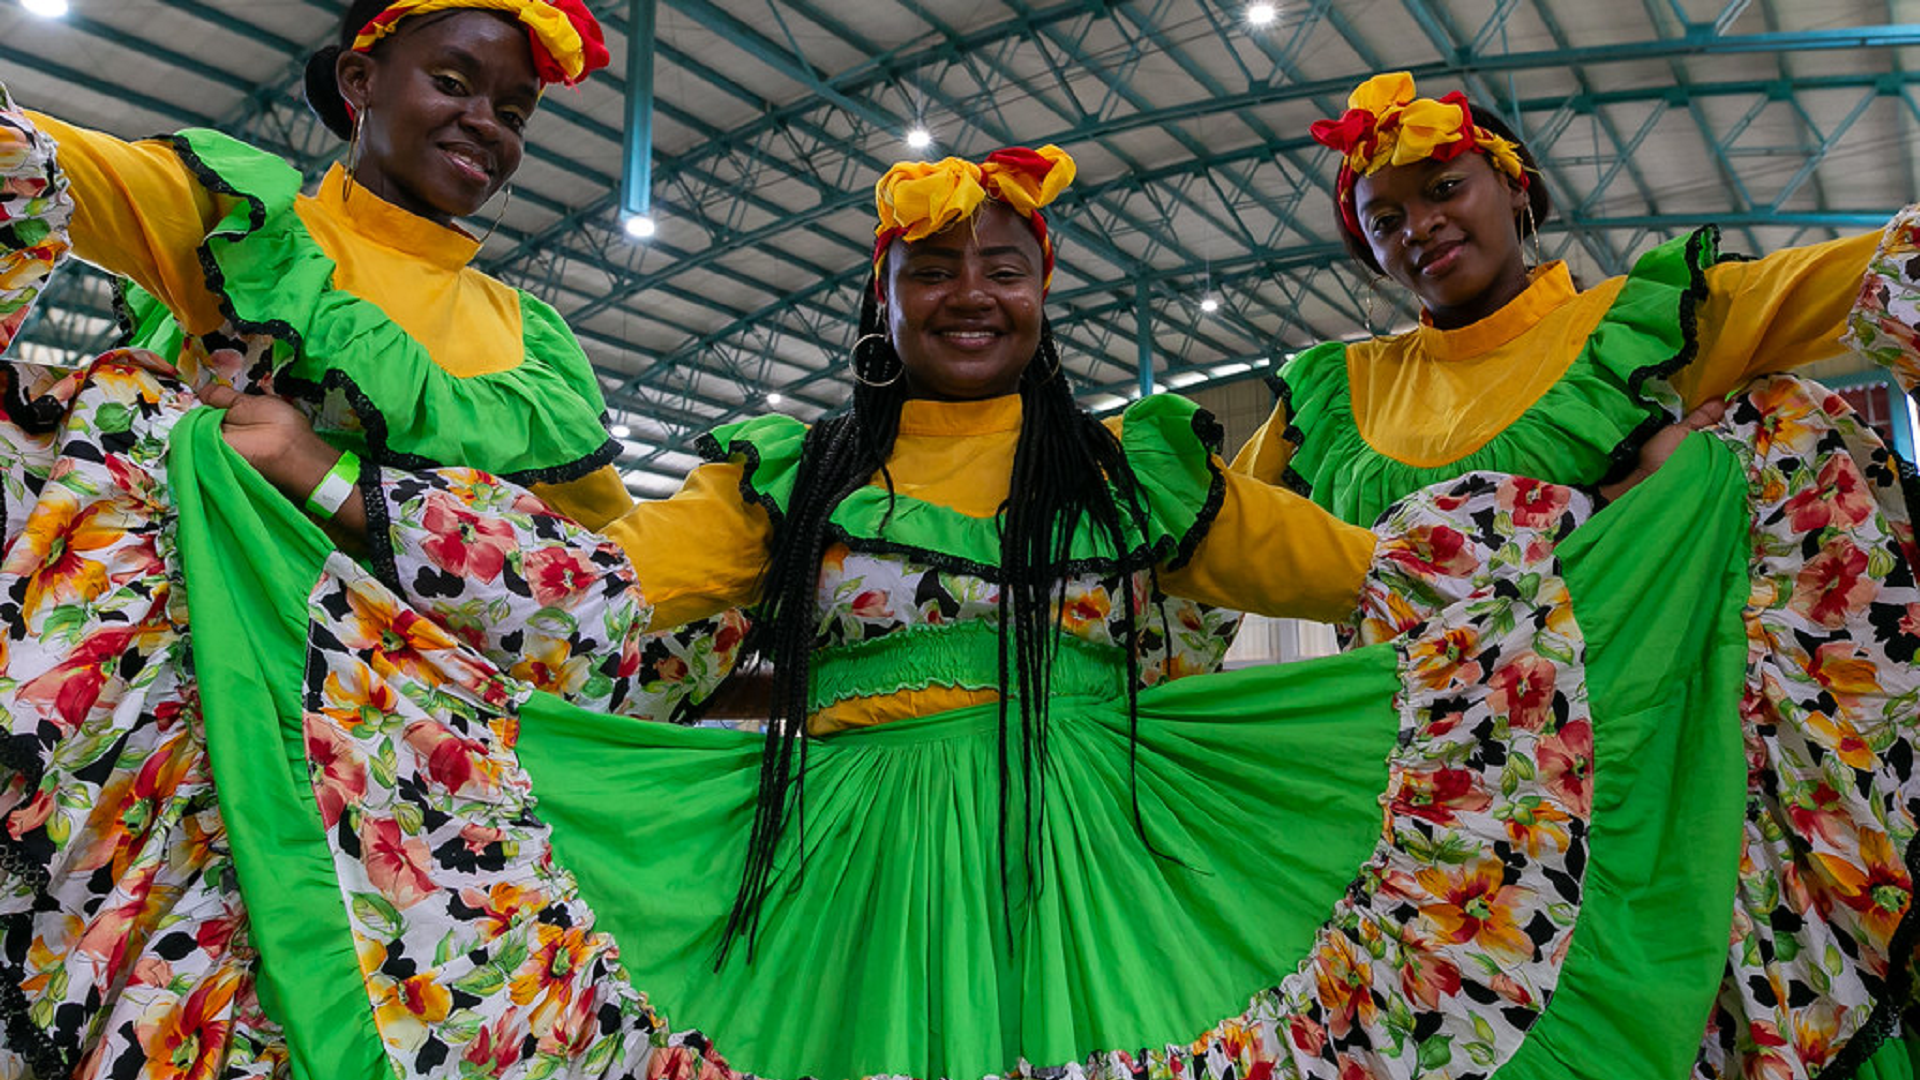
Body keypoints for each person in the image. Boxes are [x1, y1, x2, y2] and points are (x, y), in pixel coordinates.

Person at [83, 131, 1784, 1079]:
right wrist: (326, 479)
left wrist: (1607, 532)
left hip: (1115, 869)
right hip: (843, 881)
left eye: (1005, 263)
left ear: (1049, 285)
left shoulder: (1144, 474)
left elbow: (1379, 586)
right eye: (933, 266)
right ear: (884, 295)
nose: (971, 291)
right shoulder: (785, 472)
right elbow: (600, 606)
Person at [0, 2, 749, 1075]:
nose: (486, 124)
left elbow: (596, 576)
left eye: (514, 110)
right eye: (453, 83)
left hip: (411, 771)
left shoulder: (530, 343)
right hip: (199, 712)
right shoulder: (252, 225)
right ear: (359, 82)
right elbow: (48, 162)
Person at [1234, 70, 1920, 1079]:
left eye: (1442, 188)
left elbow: (1856, 282)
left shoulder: (1640, 324)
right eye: (1383, 219)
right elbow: (1212, 537)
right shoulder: (1336, 397)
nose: (1417, 226)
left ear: (1517, 187)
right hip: (1462, 827)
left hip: (1671, 777)